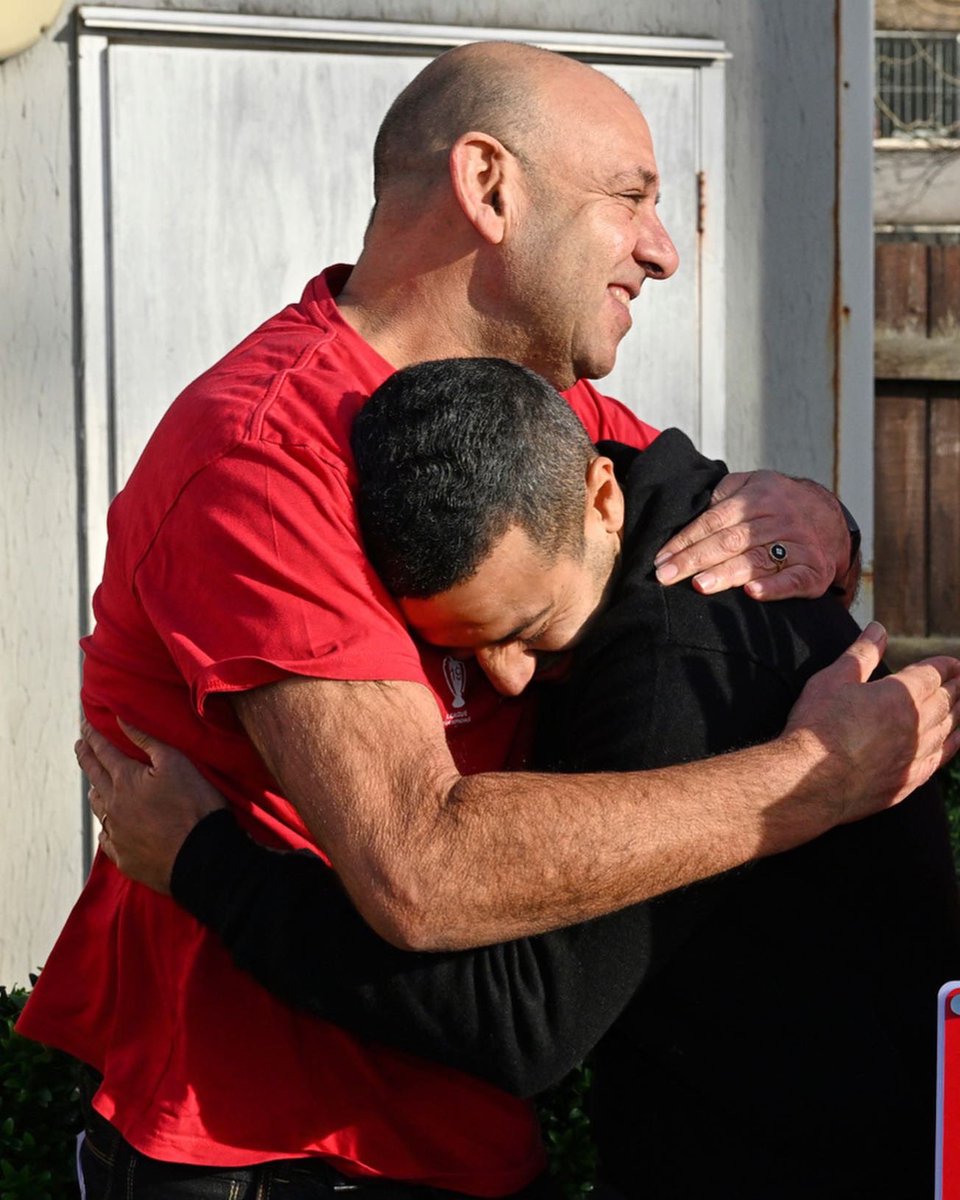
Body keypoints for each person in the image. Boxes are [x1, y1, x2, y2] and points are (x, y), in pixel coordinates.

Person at [21, 40, 960, 1200]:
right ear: (488, 185)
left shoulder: (550, 416)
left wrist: (819, 523)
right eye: (630, 196)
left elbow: (687, 554)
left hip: (465, 1145)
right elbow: (421, 870)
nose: (663, 247)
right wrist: (818, 777)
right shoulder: (263, 458)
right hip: (277, 1159)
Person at [80, 357, 960, 1198]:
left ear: (602, 500)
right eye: (460, 652)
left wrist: (209, 866)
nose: (505, 679)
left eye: (530, 628)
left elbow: (526, 1019)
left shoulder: (680, 658)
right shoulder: (619, 504)